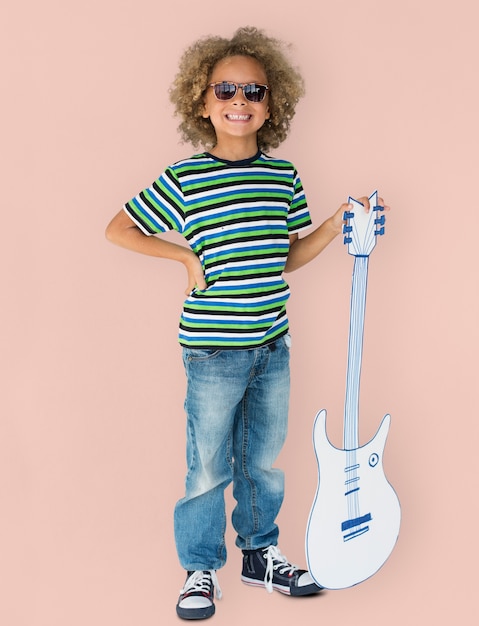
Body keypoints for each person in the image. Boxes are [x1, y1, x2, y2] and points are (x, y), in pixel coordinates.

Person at [106, 25, 387, 621]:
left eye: (253, 92)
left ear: (271, 104)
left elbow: (285, 257)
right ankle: (200, 569)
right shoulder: (186, 178)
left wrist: (336, 226)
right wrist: (184, 256)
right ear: (202, 102)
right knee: (207, 461)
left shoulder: (281, 177)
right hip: (212, 351)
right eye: (226, 90)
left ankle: (260, 554)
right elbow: (118, 229)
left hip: (270, 345)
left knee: (262, 458)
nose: (240, 101)